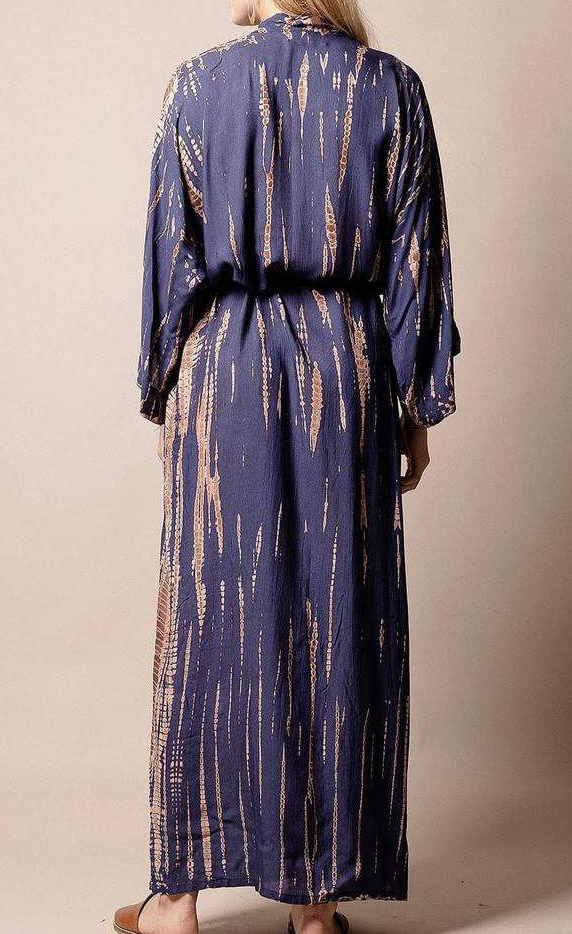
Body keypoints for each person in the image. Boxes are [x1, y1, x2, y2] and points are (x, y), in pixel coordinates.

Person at [115, 1, 460, 932]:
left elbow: (170, 251)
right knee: (336, 615)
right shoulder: (389, 87)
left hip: (222, 370)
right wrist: (415, 405)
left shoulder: (199, 82)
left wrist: (163, 388)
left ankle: (175, 901)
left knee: (210, 619)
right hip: (345, 371)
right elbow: (415, 259)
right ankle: (315, 907)